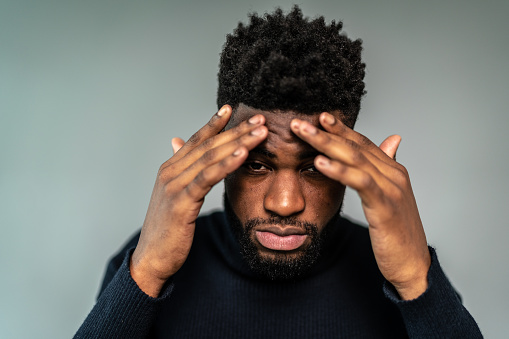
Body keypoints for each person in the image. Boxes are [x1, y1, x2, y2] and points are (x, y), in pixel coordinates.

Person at [75, 6, 482, 338]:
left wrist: (415, 280)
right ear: (214, 159)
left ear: (350, 164)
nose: (284, 204)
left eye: (314, 167)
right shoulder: (147, 264)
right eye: (256, 164)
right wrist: (147, 272)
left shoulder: (400, 275)